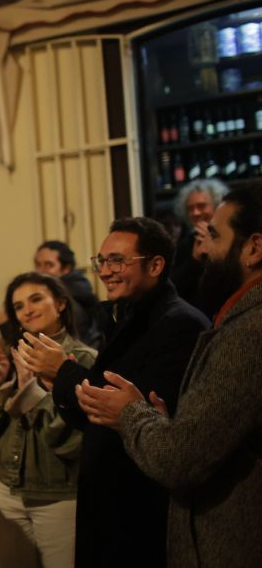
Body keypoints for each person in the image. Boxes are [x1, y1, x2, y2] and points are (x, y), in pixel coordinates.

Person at [75, 185, 262, 568]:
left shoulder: (249, 331)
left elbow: (180, 458)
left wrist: (130, 412)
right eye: (102, 261)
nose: (203, 250)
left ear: (254, 248)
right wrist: (160, 422)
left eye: (214, 236)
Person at [15, 217, 210, 568]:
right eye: (101, 261)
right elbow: (96, 414)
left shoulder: (179, 324)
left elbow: (133, 415)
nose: (105, 272)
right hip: (110, 493)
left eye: (117, 261)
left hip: (139, 501)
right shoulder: (125, 316)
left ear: (155, 265)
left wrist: (63, 371)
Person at [0, 272, 96, 568]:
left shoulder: (83, 360)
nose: (27, 310)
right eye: (19, 306)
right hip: (4, 493)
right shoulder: (9, 355)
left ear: (60, 304)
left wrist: (32, 394)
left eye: (36, 299)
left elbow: (73, 443)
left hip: (59, 496)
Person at [170, 179, 230, 317]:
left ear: (218, 206)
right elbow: (174, 288)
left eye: (201, 206)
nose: (195, 213)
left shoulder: (230, 238)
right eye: (190, 208)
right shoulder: (185, 243)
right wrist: (195, 260)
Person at [34, 240, 103, 347]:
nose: (40, 271)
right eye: (38, 264)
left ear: (66, 268)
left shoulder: (67, 300)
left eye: (49, 265)